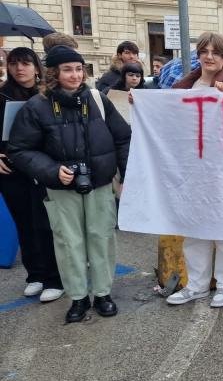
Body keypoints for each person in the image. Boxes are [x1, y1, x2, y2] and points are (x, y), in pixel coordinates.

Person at [8, 46, 131, 323]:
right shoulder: (37, 106)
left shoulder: (99, 100)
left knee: (101, 238)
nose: (75, 75)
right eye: (67, 70)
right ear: (53, 73)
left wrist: (126, 174)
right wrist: (52, 171)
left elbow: (123, 137)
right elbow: (20, 149)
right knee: (68, 243)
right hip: (61, 187)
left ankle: (102, 294)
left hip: (99, 183)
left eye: (79, 69)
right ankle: (77, 297)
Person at [163, 32, 223, 308]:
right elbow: (170, 121)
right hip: (192, 170)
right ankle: (196, 285)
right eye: (204, 51)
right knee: (194, 228)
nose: (209, 57)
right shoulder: (183, 88)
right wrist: (140, 104)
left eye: (216, 53)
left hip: (222, 170)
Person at [0, 47, 64, 303]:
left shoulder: (48, 95)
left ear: (37, 67)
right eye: (14, 63)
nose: (19, 69)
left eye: (25, 63)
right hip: (11, 170)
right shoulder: (1, 96)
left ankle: (54, 277)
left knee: (47, 225)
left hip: (43, 167)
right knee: (24, 225)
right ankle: (34, 275)